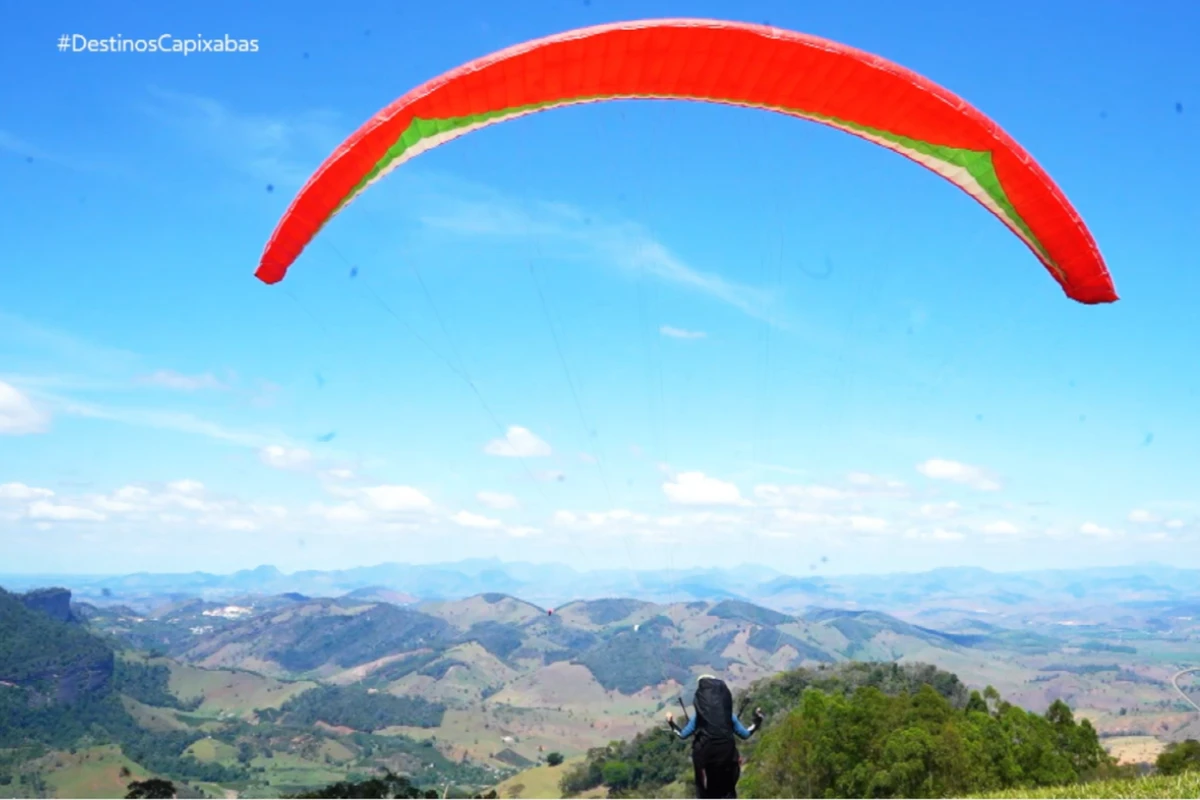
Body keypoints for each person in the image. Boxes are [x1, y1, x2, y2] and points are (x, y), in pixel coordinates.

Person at [666, 675, 764, 799]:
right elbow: (745, 734)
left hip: (705, 766)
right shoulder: (729, 716)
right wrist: (757, 722)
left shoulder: (699, 717)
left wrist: (670, 722)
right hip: (729, 763)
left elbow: (683, 735)